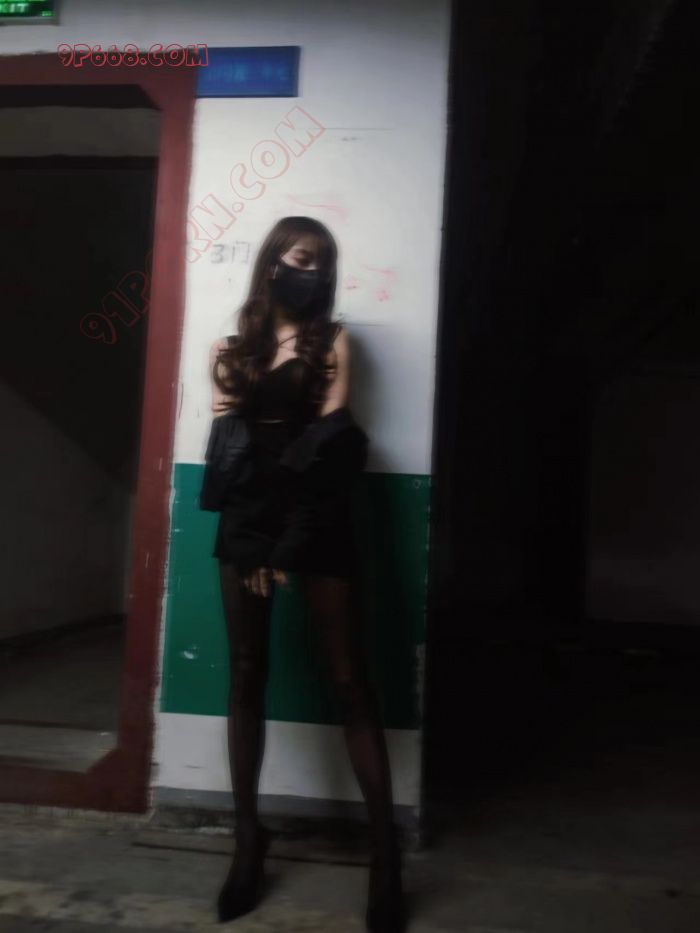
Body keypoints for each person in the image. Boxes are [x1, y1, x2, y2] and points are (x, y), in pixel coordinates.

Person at [207, 216, 406, 932]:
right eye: (301, 258)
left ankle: (386, 857)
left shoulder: (333, 343)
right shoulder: (230, 351)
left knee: (350, 680)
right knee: (245, 674)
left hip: (317, 522)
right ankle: (247, 842)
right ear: (272, 264)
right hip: (246, 527)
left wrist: (287, 546)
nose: (312, 273)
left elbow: (330, 447)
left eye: (323, 262)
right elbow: (230, 454)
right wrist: (255, 545)